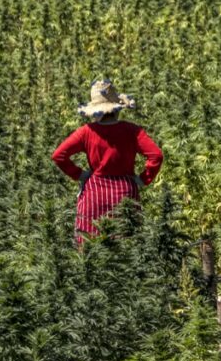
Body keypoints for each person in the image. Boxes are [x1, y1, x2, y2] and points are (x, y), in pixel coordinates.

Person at [52, 79, 163, 243]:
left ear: (95, 111)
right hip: (125, 192)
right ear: (117, 109)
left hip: (94, 193)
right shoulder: (131, 130)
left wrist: (80, 175)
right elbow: (156, 155)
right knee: (126, 246)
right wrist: (142, 179)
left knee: (91, 246)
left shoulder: (86, 132)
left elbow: (58, 155)